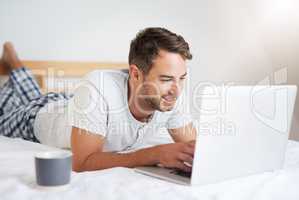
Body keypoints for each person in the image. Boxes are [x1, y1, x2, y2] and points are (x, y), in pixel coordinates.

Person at [0, 27, 197, 173]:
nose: (177, 90)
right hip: (36, 117)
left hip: (72, 105)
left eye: (182, 78)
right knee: (8, 104)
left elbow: (195, 148)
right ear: (136, 74)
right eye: (166, 79)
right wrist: (155, 153)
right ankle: (14, 62)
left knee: (35, 94)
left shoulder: (172, 94)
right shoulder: (97, 86)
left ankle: (16, 65)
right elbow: (82, 162)